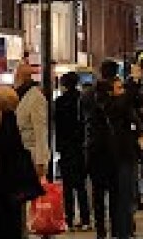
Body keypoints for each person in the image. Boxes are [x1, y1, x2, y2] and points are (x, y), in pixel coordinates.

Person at [0, 86, 44, 239]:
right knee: (12, 219)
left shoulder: (0, 122)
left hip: (1, 181)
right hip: (11, 183)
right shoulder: (9, 120)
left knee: (2, 220)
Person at [84, 62, 143, 239]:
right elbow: (120, 108)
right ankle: (117, 230)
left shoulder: (87, 95)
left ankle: (102, 230)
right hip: (111, 151)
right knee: (116, 193)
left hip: (94, 149)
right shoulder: (108, 98)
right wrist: (134, 82)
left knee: (98, 193)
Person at [55, 72, 91, 230]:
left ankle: (68, 219)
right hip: (80, 147)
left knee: (67, 187)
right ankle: (85, 220)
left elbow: (57, 127)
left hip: (65, 148)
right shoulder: (82, 100)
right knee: (81, 186)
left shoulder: (59, 102)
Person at [13, 62, 50, 179]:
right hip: (21, 155)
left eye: (17, 75)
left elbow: (40, 130)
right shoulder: (18, 95)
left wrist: (41, 161)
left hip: (32, 156)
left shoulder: (36, 98)